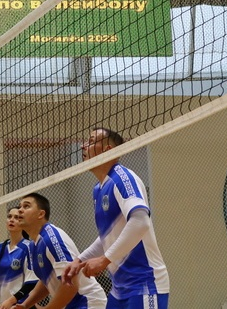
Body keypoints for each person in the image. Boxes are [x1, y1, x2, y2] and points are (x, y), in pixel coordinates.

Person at [62, 128, 170, 309]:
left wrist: (104, 260)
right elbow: (107, 239)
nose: (83, 146)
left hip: (144, 285)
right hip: (119, 289)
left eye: (91, 141)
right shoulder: (98, 189)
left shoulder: (122, 177)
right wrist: (79, 260)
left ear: (107, 149)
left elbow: (141, 221)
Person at [9, 193, 107, 309]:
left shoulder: (52, 238)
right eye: (19, 206)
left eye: (26, 206)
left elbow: (70, 283)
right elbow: (46, 281)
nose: (20, 210)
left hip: (87, 302)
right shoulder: (33, 245)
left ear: (41, 214)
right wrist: (25, 305)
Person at [0, 206, 38, 309]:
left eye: (16, 217)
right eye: (9, 216)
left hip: (22, 305)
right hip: (6, 306)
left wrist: (11, 301)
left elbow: (31, 283)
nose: (11, 220)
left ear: (22, 223)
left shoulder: (29, 247)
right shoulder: (0, 248)